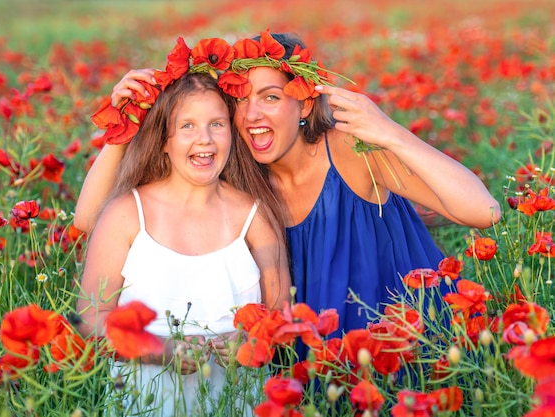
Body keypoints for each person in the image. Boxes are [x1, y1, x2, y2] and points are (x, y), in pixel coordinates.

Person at [75, 31, 501, 356]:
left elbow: (484, 211)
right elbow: (91, 221)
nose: (253, 114)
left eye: (272, 97)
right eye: (241, 101)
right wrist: (121, 130)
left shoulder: (350, 152)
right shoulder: (241, 183)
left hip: (405, 343)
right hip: (314, 362)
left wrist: (390, 133)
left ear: (305, 105)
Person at [76, 72, 291, 415]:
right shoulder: (128, 214)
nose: (204, 139)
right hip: (145, 399)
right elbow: (91, 317)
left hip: (238, 400)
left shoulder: (255, 215)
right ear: (162, 139)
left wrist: (252, 341)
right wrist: (158, 350)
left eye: (217, 124)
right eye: (187, 126)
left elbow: (281, 312)